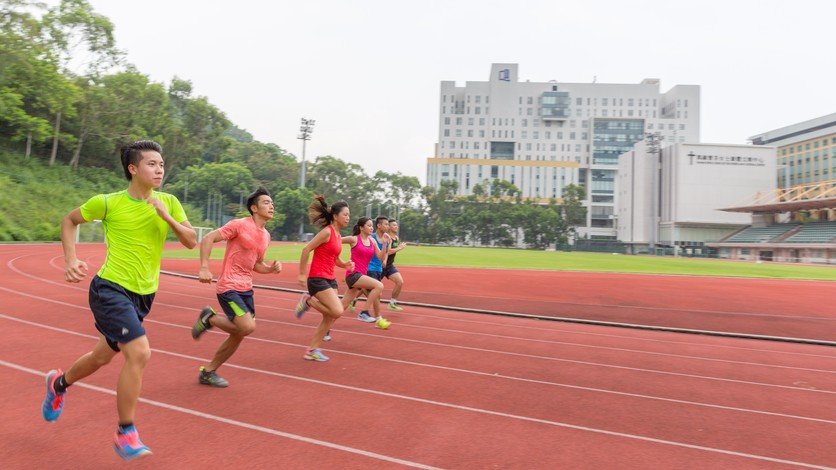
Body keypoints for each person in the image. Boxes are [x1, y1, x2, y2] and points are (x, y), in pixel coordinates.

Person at [42, 140, 196, 460]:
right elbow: (69, 221)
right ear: (133, 169)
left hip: (143, 295)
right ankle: (125, 432)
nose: (159, 170)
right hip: (110, 288)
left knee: (102, 356)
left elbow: (191, 241)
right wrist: (71, 259)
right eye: (152, 164)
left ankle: (59, 384)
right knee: (139, 352)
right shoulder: (108, 202)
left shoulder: (168, 201)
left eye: (162, 165)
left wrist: (166, 216)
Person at [190, 187, 281, 387]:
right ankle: (210, 318)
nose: (271, 205)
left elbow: (256, 264)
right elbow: (208, 238)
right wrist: (204, 267)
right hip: (229, 286)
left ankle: (209, 371)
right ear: (254, 208)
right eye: (266, 202)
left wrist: (271, 269)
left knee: (240, 333)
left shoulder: (266, 236)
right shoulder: (239, 225)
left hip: (246, 289)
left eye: (272, 202)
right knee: (247, 326)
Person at [294, 196, 355, 362]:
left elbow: (334, 258)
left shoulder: (337, 234)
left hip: (330, 279)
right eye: (345, 214)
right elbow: (306, 249)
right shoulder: (327, 232)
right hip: (317, 279)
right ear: (335, 216)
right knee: (337, 311)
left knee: (330, 317)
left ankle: (312, 350)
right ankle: (308, 301)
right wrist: (301, 273)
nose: (348, 218)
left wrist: (345, 264)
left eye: (349, 215)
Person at [340, 217, 390, 329]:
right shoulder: (354, 239)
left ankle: (325, 330)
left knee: (340, 308)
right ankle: (364, 312)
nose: (371, 228)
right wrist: (339, 260)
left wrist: (385, 244)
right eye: (369, 225)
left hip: (361, 276)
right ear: (361, 228)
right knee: (379, 286)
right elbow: (336, 240)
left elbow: (381, 257)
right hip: (353, 275)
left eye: (372, 226)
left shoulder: (372, 241)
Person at [383, 219, 407, 311]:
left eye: (397, 225)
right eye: (394, 225)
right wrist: (399, 248)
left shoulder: (396, 238)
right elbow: (387, 252)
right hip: (381, 265)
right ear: (389, 227)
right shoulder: (387, 237)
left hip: (389, 266)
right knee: (368, 287)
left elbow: (393, 250)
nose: (396, 226)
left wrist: (398, 247)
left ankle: (392, 303)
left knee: (399, 282)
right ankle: (354, 298)